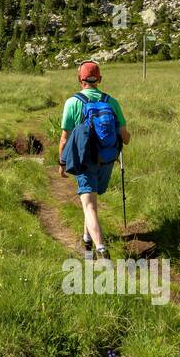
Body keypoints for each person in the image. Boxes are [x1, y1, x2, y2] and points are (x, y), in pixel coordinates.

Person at [57, 60, 130, 260]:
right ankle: (86, 239)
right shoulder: (111, 102)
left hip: (84, 160)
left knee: (89, 205)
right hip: (106, 159)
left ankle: (101, 249)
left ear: (80, 80)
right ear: (99, 79)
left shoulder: (73, 102)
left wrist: (62, 163)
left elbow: (64, 138)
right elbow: (126, 138)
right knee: (89, 201)